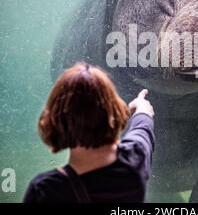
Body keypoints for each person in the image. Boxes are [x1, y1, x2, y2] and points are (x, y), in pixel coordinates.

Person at [23, 62, 155, 203]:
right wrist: (139, 104)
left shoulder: (45, 189)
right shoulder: (136, 158)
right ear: (115, 112)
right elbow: (143, 122)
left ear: (57, 120)